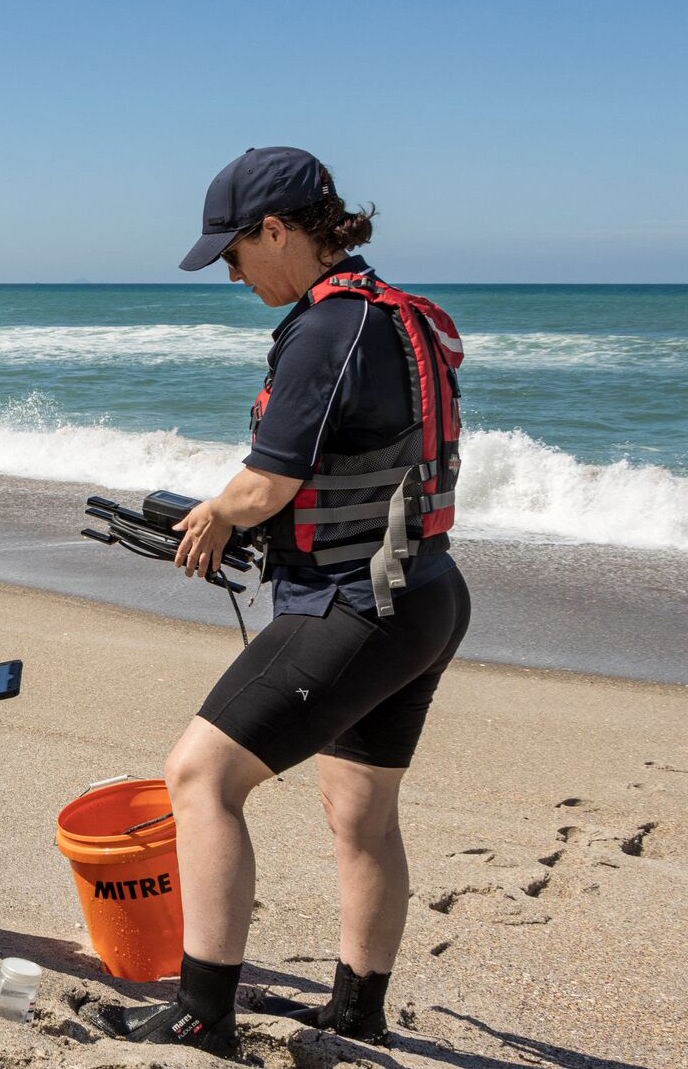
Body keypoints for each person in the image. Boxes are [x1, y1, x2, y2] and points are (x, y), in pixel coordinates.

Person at [86, 147, 473, 1055]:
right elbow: (364, 470)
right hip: (427, 593)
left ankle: (200, 1010)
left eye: (234, 250)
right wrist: (241, 519)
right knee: (361, 814)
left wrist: (219, 516)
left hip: (355, 605)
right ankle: (357, 1007)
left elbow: (266, 482)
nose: (229, 270)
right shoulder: (402, 313)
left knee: (200, 775)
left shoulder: (328, 327)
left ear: (279, 231)